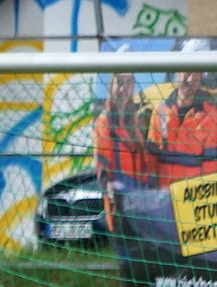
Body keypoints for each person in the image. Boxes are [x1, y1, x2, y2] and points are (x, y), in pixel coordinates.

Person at [147, 40, 217, 189]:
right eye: (188, 71)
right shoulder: (160, 112)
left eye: (197, 73)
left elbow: (211, 170)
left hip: (194, 199)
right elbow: (150, 162)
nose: (191, 79)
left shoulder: (212, 117)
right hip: (164, 199)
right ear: (179, 71)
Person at [93, 71, 153, 233]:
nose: (122, 89)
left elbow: (143, 165)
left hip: (140, 206)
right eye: (119, 82)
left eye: (127, 84)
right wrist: (112, 192)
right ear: (111, 85)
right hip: (119, 209)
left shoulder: (134, 121)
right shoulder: (104, 122)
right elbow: (102, 170)